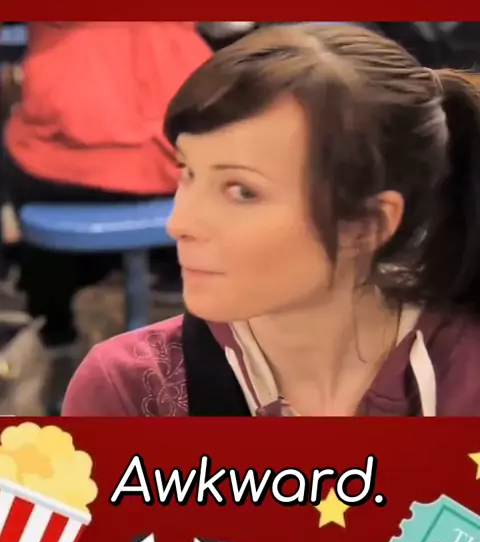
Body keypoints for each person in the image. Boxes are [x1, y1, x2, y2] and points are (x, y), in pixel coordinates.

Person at [62, 22, 480, 417]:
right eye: (187, 172)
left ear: (369, 224)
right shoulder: (127, 392)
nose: (179, 224)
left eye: (242, 191)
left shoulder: (465, 378)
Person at [3, 21, 211, 348]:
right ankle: (174, 277)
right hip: (179, 157)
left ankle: (54, 325)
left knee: (18, 154)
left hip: (66, 162)